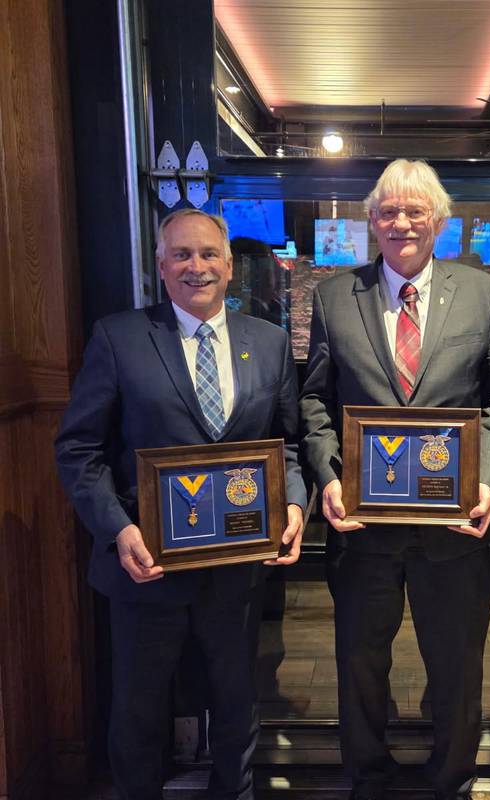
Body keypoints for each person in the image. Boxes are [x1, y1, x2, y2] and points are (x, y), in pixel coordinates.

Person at [55, 209, 307, 800]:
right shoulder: (118, 337)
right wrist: (119, 530)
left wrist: (293, 506)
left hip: (237, 569)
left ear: (229, 265)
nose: (197, 267)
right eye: (182, 255)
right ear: (161, 265)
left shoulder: (269, 343)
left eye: (209, 254)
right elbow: (79, 450)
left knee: (237, 704)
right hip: (147, 567)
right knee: (138, 711)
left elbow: (288, 446)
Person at [300, 159, 490, 800]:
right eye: (389, 211)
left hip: (453, 528)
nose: (402, 222)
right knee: (359, 667)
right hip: (362, 527)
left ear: (439, 221)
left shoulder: (482, 292)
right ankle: (368, 779)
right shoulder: (333, 297)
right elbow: (315, 401)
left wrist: (486, 481)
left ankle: (451, 780)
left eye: (415, 210)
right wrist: (329, 475)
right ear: (371, 221)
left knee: (457, 666)